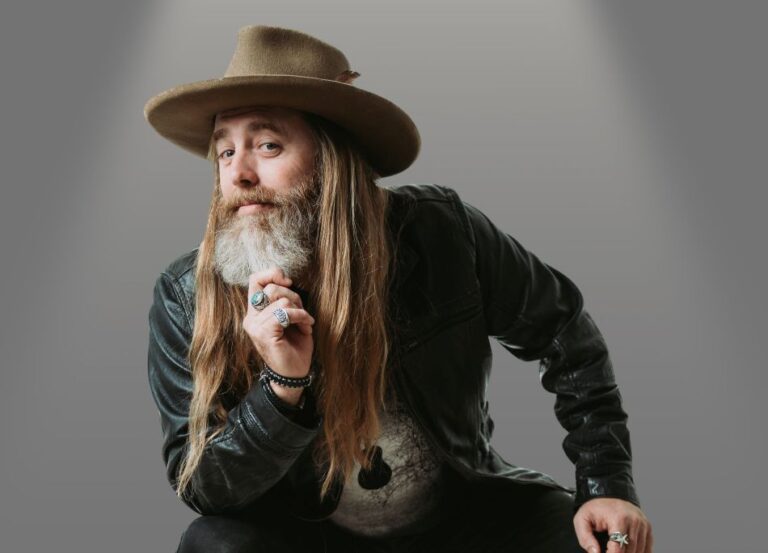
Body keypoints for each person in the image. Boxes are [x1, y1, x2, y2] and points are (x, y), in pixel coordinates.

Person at [144, 25, 653, 553]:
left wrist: (607, 485)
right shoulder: (185, 296)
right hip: (309, 541)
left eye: (268, 145)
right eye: (225, 152)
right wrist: (281, 388)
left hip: (464, 525)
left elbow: (564, 332)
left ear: (334, 156)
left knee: (591, 543)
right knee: (214, 544)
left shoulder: (442, 233)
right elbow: (205, 487)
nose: (238, 175)